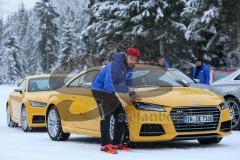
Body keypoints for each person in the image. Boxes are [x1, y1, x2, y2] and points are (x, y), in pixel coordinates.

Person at [91, 48, 141, 154]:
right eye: (131, 57)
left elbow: (128, 80)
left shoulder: (130, 67)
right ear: (126, 56)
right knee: (107, 115)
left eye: (135, 59)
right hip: (99, 90)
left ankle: (116, 143)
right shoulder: (115, 65)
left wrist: (132, 94)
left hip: (110, 91)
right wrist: (125, 89)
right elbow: (108, 85)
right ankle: (105, 145)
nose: (132, 60)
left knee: (120, 115)